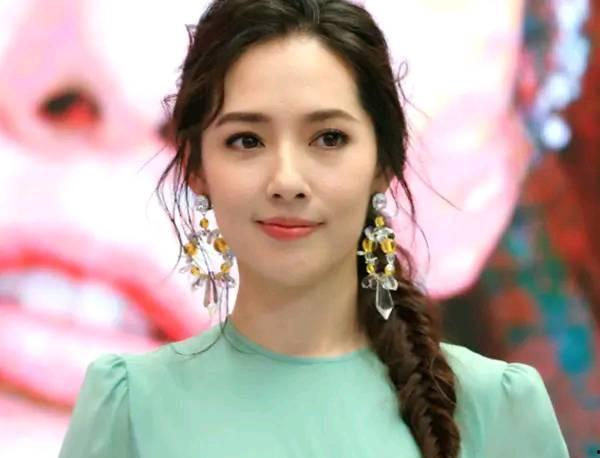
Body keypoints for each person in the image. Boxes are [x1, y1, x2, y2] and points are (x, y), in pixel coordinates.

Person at [58, 0, 569, 457]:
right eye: (246, 140)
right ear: (197, 167)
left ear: (383, 165)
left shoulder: (500, 406)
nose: (286, 181)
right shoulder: (125, 401)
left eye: (328, 139)